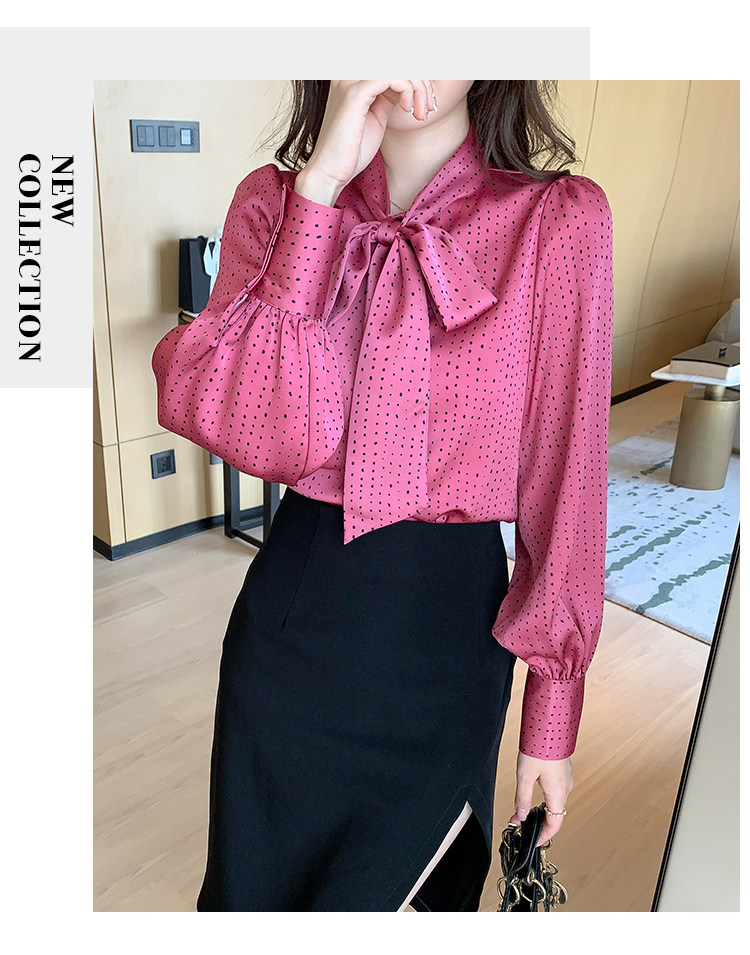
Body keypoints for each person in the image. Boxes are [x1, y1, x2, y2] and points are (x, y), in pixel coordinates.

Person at [152, 80, 614, 912]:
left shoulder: (558, 222)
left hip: (449, 650)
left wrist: (552, 713)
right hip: (289, 642)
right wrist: (321, 191)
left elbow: (567, 477)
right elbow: (255, 433)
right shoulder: (273, 204)